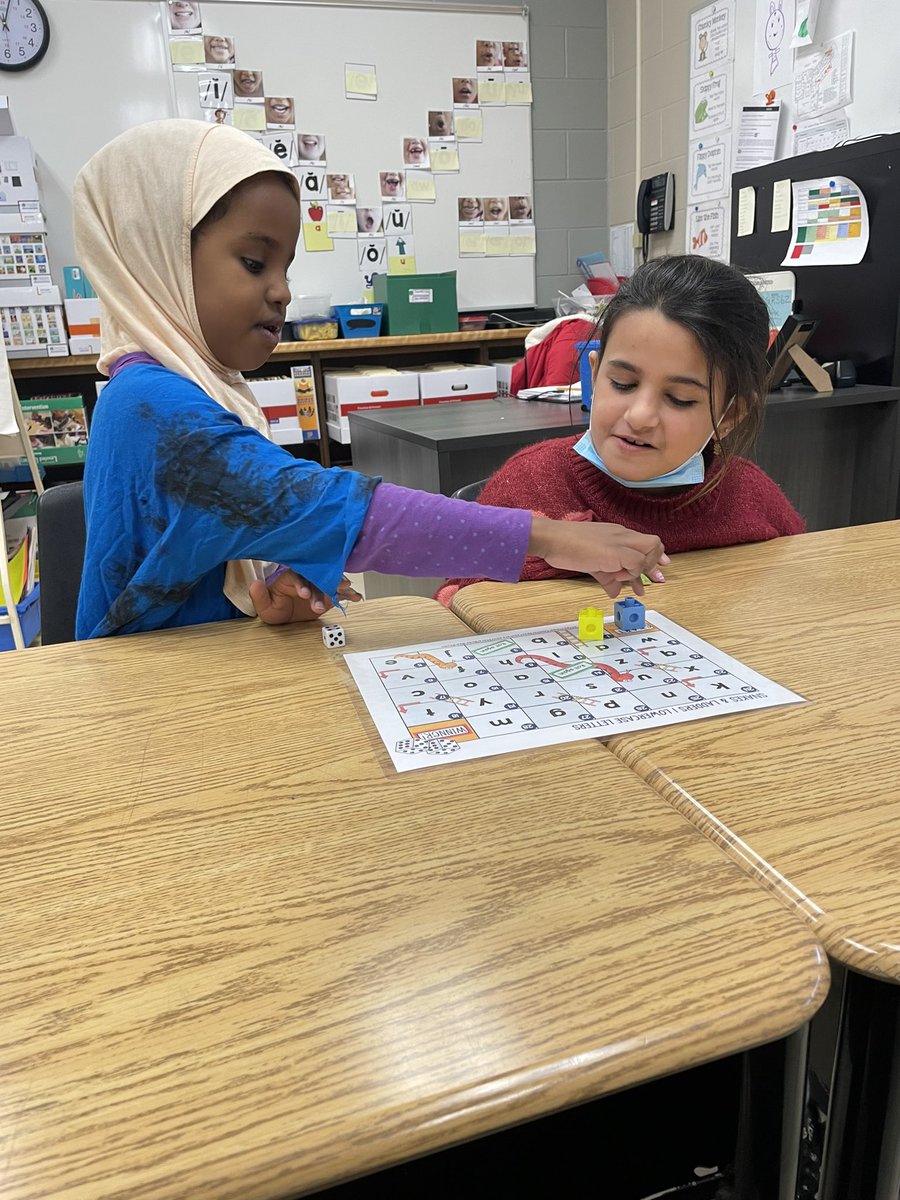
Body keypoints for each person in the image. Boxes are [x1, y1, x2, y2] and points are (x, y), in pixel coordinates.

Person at [72, 120, 666, 640]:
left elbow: (211, 537)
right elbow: (345, 512)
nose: (281, 291)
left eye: (285, 268)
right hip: (145, 702)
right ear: (155, 256)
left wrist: (271, 593)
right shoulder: (156, 407)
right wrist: (553, 537)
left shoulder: (175, 387)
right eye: (255, 263)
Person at [436, 255, 805, 606]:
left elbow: (797, 587)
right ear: (595, 375)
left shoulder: (751, 497)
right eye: (623, 383)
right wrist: (549, 549)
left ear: (730, 414)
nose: (641, 415)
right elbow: (454, 598)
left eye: (679, 398)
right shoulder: (528, 484)